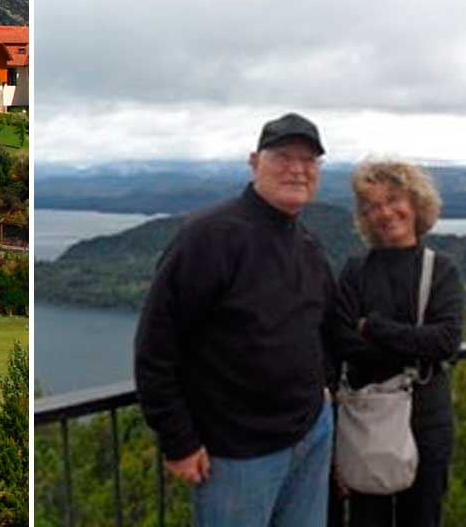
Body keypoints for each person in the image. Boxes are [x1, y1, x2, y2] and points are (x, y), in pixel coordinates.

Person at [134, 113, 336, 526]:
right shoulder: (209, 238)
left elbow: (323, 328)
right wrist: (179, 441)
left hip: (312, 434)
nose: (297, 169)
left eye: (309, 160)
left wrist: (323, 388)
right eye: (283, 156)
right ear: (254, 162)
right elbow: (156, 347)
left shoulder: (309, 246)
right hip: (237, 455)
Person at [330, 158, 463, 527]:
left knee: (421, 516)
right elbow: (342, 342)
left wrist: (373, 328)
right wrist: (413, 343)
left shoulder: (441, 269)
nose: (384, 212)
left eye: (393, 199)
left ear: (417, 203)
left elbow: (446, 341)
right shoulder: (355, 270)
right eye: (371, 206)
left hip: (427, 420)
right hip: (367, 416)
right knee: (365, 518)